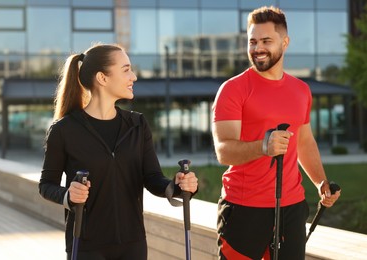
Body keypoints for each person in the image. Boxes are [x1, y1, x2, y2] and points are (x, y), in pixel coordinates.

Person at [39, 43, 198, 260]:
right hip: (86, 246)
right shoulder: (64, 130)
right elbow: (46, 185)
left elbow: (152, 178)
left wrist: (177, 186)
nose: (133, 76)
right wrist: (68, 195)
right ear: (102, 78)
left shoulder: (137, 124)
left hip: (133, 245)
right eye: (126, 69)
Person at [211, 6, 341, 260]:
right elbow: (223, 150)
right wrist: (263, 146)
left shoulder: (301, 90)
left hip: (291, 207)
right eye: (252, 41)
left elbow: (304, 141)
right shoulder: (233, 89)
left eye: (266, 41)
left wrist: (321, 182)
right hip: (244, 208)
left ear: (285, 41)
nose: (257, 48)